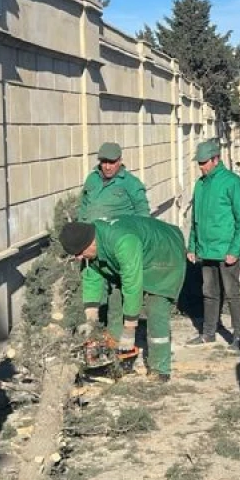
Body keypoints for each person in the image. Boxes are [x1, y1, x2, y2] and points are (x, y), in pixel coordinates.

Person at [59, 217, 186, 380]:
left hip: (163, 256)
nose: (77, 258)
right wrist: (91, 318)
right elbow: (91, 277)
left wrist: (130, 328)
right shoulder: (91, 246)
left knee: (157, 309)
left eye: (78, 253)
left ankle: (160, 368)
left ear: (91, 243)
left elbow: (132, 286)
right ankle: (116, 359)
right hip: (135, 257)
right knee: (115, 300)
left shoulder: (123, 242)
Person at [78, 142, 150, 344]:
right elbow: (83, 207)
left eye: (111, 162)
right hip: (92, 246)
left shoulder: (131, 183)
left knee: (118, 295)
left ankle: (118, 340)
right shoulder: (92, 179)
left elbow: (143, 215)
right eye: (103, 162)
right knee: (91, 286)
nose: (107, 166)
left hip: (119, 248)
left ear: (120, 161)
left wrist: (138, 244)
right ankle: (93, 332)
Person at [186, 139, 240, 352]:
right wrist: (192, 246)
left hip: (226, 251)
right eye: (199, 163)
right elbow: (196, 218)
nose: (201, 166)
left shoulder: (232, 182)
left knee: (232, 293)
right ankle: (208, 333)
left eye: (204, 162)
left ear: (216, 159)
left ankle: (239, 336)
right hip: (206, 249)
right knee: (209, 293)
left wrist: (235, 250)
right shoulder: (200, 184)